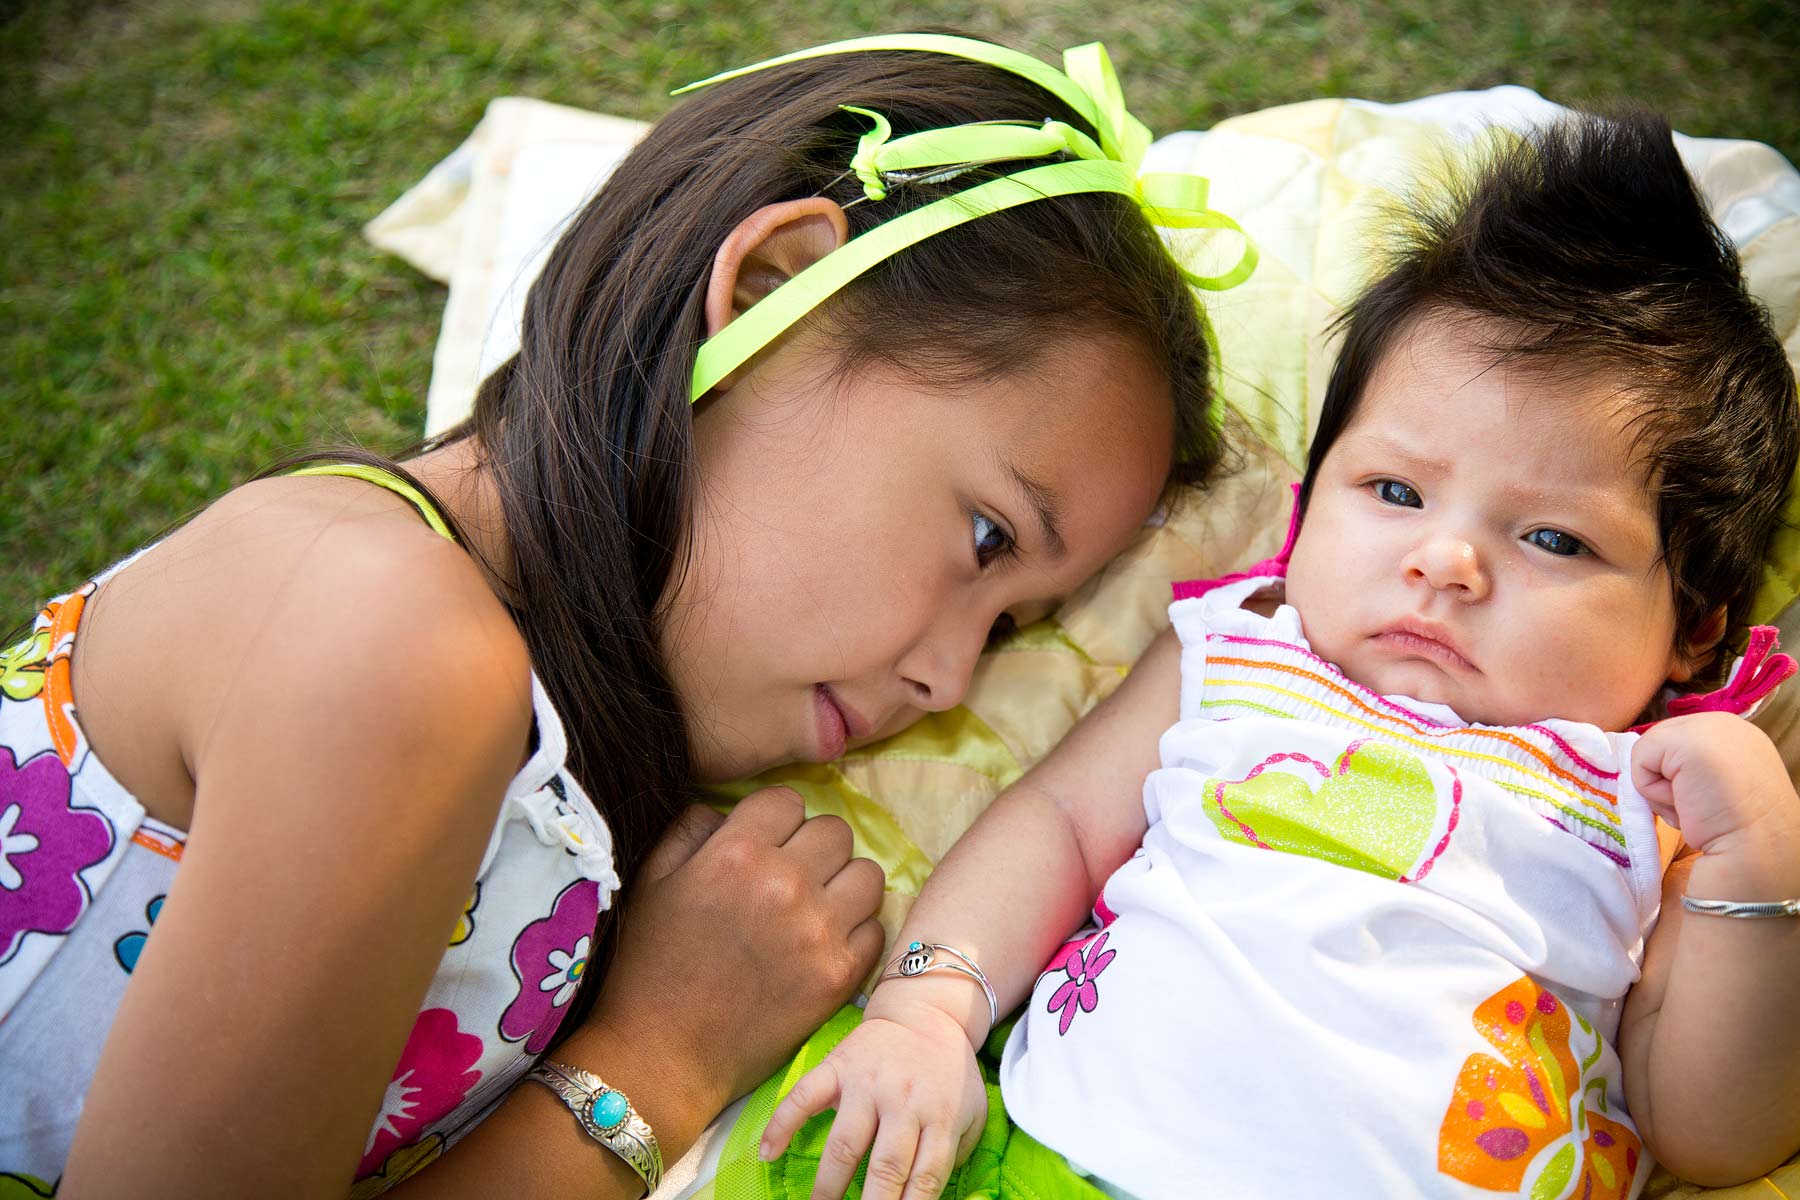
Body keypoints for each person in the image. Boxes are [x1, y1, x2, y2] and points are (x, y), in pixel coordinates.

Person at [0, 33, 1245, 1198]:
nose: (953, 685)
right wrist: (655, 1060)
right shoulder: (387, 637)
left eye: (1013, 628)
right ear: (775, 294)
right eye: (985, 540)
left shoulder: (538, 750)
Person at [760, 110, 1800, 1199]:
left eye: (1553, 538)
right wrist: (925, 1009)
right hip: (1069, 1160)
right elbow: (1060, 827)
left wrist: (1758, 867)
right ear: (1308, 510)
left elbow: (1711, 1136)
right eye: (1394, 492)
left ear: (1695, 626)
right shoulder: (1245, 655)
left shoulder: (1659, 798)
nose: (1444, 561)